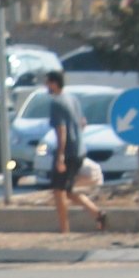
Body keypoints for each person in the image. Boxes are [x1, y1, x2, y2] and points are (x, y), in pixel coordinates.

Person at [45, 71, 107, 232]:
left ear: (54, 83)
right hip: (79, 150)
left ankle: (64, 230)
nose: (46, 86)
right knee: (68, 190)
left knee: (59, 192)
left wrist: (60, 156)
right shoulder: (72, 99)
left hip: (67, 153)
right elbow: (83, 122)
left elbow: (61, 130)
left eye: (47, 83)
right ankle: (97, 213)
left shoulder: (56, 103)